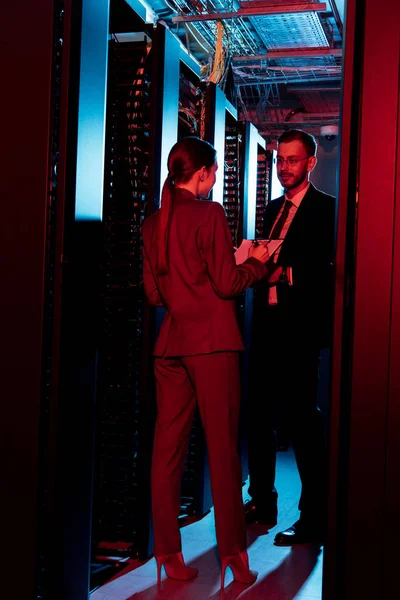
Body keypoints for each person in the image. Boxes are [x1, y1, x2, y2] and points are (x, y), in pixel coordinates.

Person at [142, 136, 274, 587]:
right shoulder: (210, 213)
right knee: (222, 451)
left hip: (170, 346)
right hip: (213, 345)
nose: (216, 179)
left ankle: (167, 554)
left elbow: (154, 294)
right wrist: (255, 262)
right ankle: (234, 556)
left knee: (166, 453)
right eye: (214, 172)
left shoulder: (153, 223)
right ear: (200, 173)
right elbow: (226, 283)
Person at [245, 129, 336, 546]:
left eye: (292, 160)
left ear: (310, 163)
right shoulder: (271, 209)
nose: (284, 167)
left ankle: (313, 515)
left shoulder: (326, 210)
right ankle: (261, 500)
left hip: (300, 331)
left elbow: (326, 271)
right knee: (258, 416)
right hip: (266, 326)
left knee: (303, 422)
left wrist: (283, 271)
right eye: (280, 160)